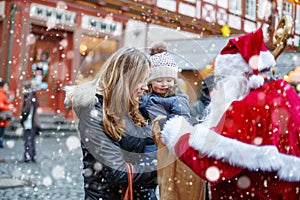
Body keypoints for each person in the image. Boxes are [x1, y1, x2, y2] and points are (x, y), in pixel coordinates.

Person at [159, 28, 300, 199]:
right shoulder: (288, 95)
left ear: (242, 75)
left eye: (225, 78)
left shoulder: (250, 106)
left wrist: (176, 132)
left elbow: (212, 164)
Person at [64, 47, 157, 200]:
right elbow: (117, 172)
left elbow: (150, 144)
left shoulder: (137, 104)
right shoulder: (92, 113)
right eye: (141, 81)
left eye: (146, 80)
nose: (145, 87)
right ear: (124, 79)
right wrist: (158, 169)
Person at [140, 41, 205, 200]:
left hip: (165, 146)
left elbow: (182, 120)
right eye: (159, 80)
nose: (165, 84)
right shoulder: (146, 97)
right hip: (148, 143)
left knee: (166, 184)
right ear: (150, 82)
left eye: (169, 80)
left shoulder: (177, 99)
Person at [20, 81, 40, 163]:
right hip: (32, 122)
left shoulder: (28, 97)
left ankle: (28, 156)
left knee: (28, 140)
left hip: (29, 123)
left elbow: (26, 111)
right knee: (31, 140)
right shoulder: (32, 96)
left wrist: (22, 119)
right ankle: (32, 155)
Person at [0, 79, 12, 150]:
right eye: (6, 86)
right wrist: (8, 107)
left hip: (3, 119)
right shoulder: (1, 94)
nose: (7, 87)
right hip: (2, 119)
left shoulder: (4, 94)